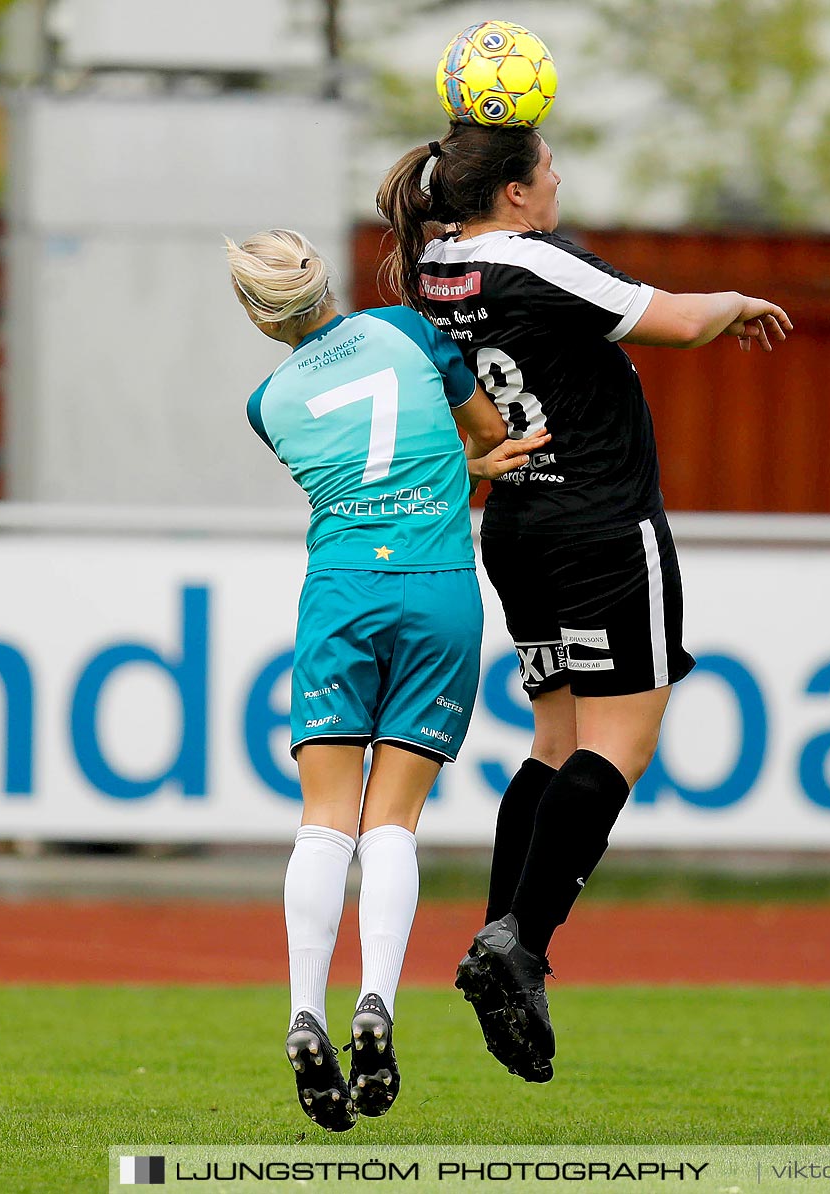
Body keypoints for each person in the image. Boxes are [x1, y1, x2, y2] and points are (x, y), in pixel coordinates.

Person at [374, 125, 791, 1083]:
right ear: (514, 196)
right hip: (602, 526)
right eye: (545, 167)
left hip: (519, 529)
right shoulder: (525, 264)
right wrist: (735, 300)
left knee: (553, 745)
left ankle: (500, 934)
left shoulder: (437, 264)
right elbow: (676, 321)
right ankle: (521, 944)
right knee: (622, 743)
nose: (558, 178)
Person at [226, 228, 549, 1129]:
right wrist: (464, 469)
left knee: (324, 820)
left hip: (341, 592)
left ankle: (302, 1011)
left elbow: (351, 475)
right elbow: (486, 439)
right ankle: (378, 1004)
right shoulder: (408, 330)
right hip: (436, 587)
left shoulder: (267, 403)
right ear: (325, 280)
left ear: (258, 318)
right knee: (392, 821)